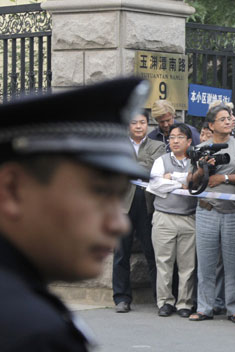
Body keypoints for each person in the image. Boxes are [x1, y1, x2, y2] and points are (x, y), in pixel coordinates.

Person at [0, 77, 150, 350]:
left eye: (119, 197)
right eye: (100, 192)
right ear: (12, 189)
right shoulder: (32, 333)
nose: (119, 224)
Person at [189, 104, 235, 323]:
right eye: (223, 118)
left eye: (230, 117)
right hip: (206, 210)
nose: (228, 121)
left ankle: (234, 308)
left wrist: (223, 178)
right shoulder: (202, 147)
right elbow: (191, 181)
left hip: (234, 212)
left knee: (233, 263)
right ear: (211, 125)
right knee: (206, 263)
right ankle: (204, 307)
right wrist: (202, 169)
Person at [112, 112, 165, 313]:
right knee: (121, 253)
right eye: (134, 122)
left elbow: (152, 168)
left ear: (147, 124)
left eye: (142, 122)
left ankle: (160, 298)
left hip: (148, 205)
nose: (138, 126)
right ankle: (121, 298)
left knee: (153, 253)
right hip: (122, 206)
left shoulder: (157, 146)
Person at [147, 124, 197, 318]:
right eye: (172, 137)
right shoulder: (161, 160)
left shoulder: (195, 162)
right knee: (164, 263)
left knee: (187, 265)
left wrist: (173, 178)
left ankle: (184, 303)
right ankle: (165, 301)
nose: (175, 141)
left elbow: (196, 182)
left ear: (189, 141)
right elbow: (155, 184)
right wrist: (181, 182)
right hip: (163, 217)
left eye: (180, 137)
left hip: (188, 217)